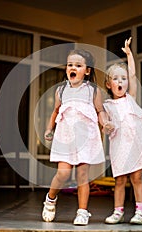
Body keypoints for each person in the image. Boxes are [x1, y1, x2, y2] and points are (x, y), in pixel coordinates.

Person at [42, 49, 112, 225]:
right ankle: (50, 199)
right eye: (70, 65)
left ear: (87, 71)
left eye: (78, 65)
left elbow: (100, 111)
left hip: (85, 138)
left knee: (82, 175)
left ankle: (82, 211)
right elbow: (56, 111)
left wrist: (105, 123)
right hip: (65, 136)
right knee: (63, 173)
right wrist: (49, 128)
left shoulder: (92, 91)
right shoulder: (61, 90)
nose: (73, 68)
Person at [103, 37, 142, 225]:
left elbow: (133, 75)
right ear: (108, 84)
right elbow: (104, 123)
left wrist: (129, 55)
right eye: (116, 79)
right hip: (119, 147)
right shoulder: (107, 105)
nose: (121, 82)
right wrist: (107, 126)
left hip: (134, 145)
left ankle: (140, 211)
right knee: (119, 180)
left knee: (137, 177)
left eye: (123, 78)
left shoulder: (131, 98)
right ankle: (117, 212)